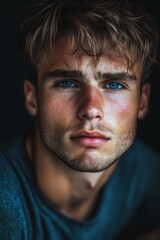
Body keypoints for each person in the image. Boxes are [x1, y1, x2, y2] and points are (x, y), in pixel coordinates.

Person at [0, 0, 160, 239]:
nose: (91, 109)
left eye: (114, 84)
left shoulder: (148, 174)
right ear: (32, 98)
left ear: (142, 102)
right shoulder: (6, 209)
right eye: (67, 83)